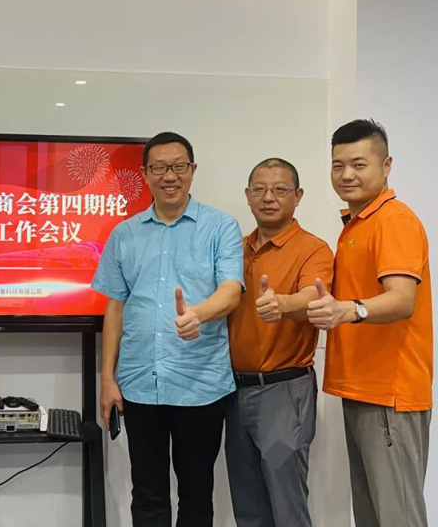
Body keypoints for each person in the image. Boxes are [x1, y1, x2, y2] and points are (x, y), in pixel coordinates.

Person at [93, 132, 244, 527]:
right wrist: (107, 378)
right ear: (145, 173)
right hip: (139, 384)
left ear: (192, 171)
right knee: (147, 495)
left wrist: (198, 315)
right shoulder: (125, 234)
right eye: (159, 168)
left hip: (201, 385)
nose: (169, 176)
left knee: (196, 496)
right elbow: (115, 307)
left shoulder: (220, 227)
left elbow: (231, 291)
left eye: (178, 167)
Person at [307, 119, 432, 527]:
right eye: (338, 165)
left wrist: (350, 310)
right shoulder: (357, 224)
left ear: (386, 165)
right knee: (371, 516)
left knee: (397, 517)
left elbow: (402, 299)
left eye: (359, 164)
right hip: (362, 389)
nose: (347, 175)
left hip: (388, 394)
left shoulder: (392, 220)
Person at [225, 158, 333, 527]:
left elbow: (314, 295)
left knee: (286, 505)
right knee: (247, 505)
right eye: (259, 189)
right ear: (247, 195)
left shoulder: (313, 249)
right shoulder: (235, 248)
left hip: (284, 391)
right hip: (233, 392)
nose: (268, 197)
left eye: (280, 189)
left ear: (298, 196)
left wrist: (283, 304)